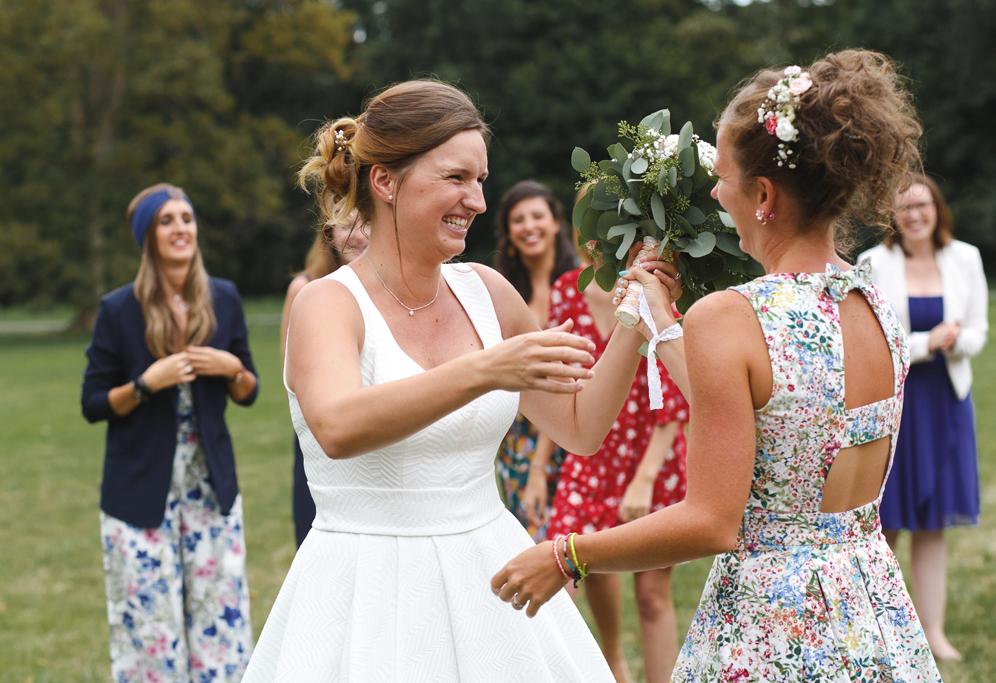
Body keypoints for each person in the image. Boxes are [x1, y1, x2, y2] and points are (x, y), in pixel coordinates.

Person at [493, 50, 944, 682]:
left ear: (763, 195)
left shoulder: (736, 315)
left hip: (773, 625)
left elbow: (710, 522)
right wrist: (664, 328)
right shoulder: (872, 301)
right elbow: (775, 409)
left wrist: (568, 554)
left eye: (723, 175)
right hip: (869, 611)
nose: (713, 191)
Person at [241, 80, 682, 682]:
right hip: (364, 586)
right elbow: (337, 426)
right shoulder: (327, 304)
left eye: (480, 180)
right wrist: (485, 370)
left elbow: (580, 428)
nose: (476, 200)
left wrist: (633, 318)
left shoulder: (488, 292)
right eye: (456, 178)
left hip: (490, 578)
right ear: (385, 182)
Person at [82, 183, 260, 682]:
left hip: (211, 491)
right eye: (167, 220)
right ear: (148, 237)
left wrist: (231, 367)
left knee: (219, 625)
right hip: (139, 496)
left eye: (186, 218)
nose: (181, 228)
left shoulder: (223, 298)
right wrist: (145, 383)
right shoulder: (119, 310)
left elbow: (249, 391)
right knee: (149, 629)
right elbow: (93, 405)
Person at [858, 172, 988, 660]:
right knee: (885, 521)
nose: (915, 215)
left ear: (938, 208)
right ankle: (880, 632)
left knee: (932, 521)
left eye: (923, 205)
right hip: (895, 403)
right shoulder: (872, 263)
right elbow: (872, 341)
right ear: (892, 216)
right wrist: (924, 344)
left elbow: (978, 330)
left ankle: (932, 632)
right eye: (905, 207)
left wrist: (954, 340)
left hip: (947, 400)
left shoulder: (966, 258)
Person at [545, 265, 689, 683]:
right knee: (562, 580)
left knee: (651, 595)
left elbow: (676, 397)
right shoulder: (565, 289)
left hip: (649, 453)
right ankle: (610, 668)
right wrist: (541, 466)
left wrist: (645, 478)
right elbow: (558, 382)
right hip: (591, 456)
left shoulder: (653, 287)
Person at [493, 180, 577, 540]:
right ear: (508, 233)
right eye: (518, 219)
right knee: (530, 542)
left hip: (571, 426)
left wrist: (540, 465)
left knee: (574, 554)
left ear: (556, 223)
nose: (529, 226)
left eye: (537, 216)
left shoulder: (579, 284)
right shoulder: (500, 292)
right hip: (516, 439)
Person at [281, 210, 369, 547]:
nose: (358, 236)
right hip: (323, 440)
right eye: (346, 225)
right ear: (328, 233)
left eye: (366, 223)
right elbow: (295, 378)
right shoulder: (305, 289)